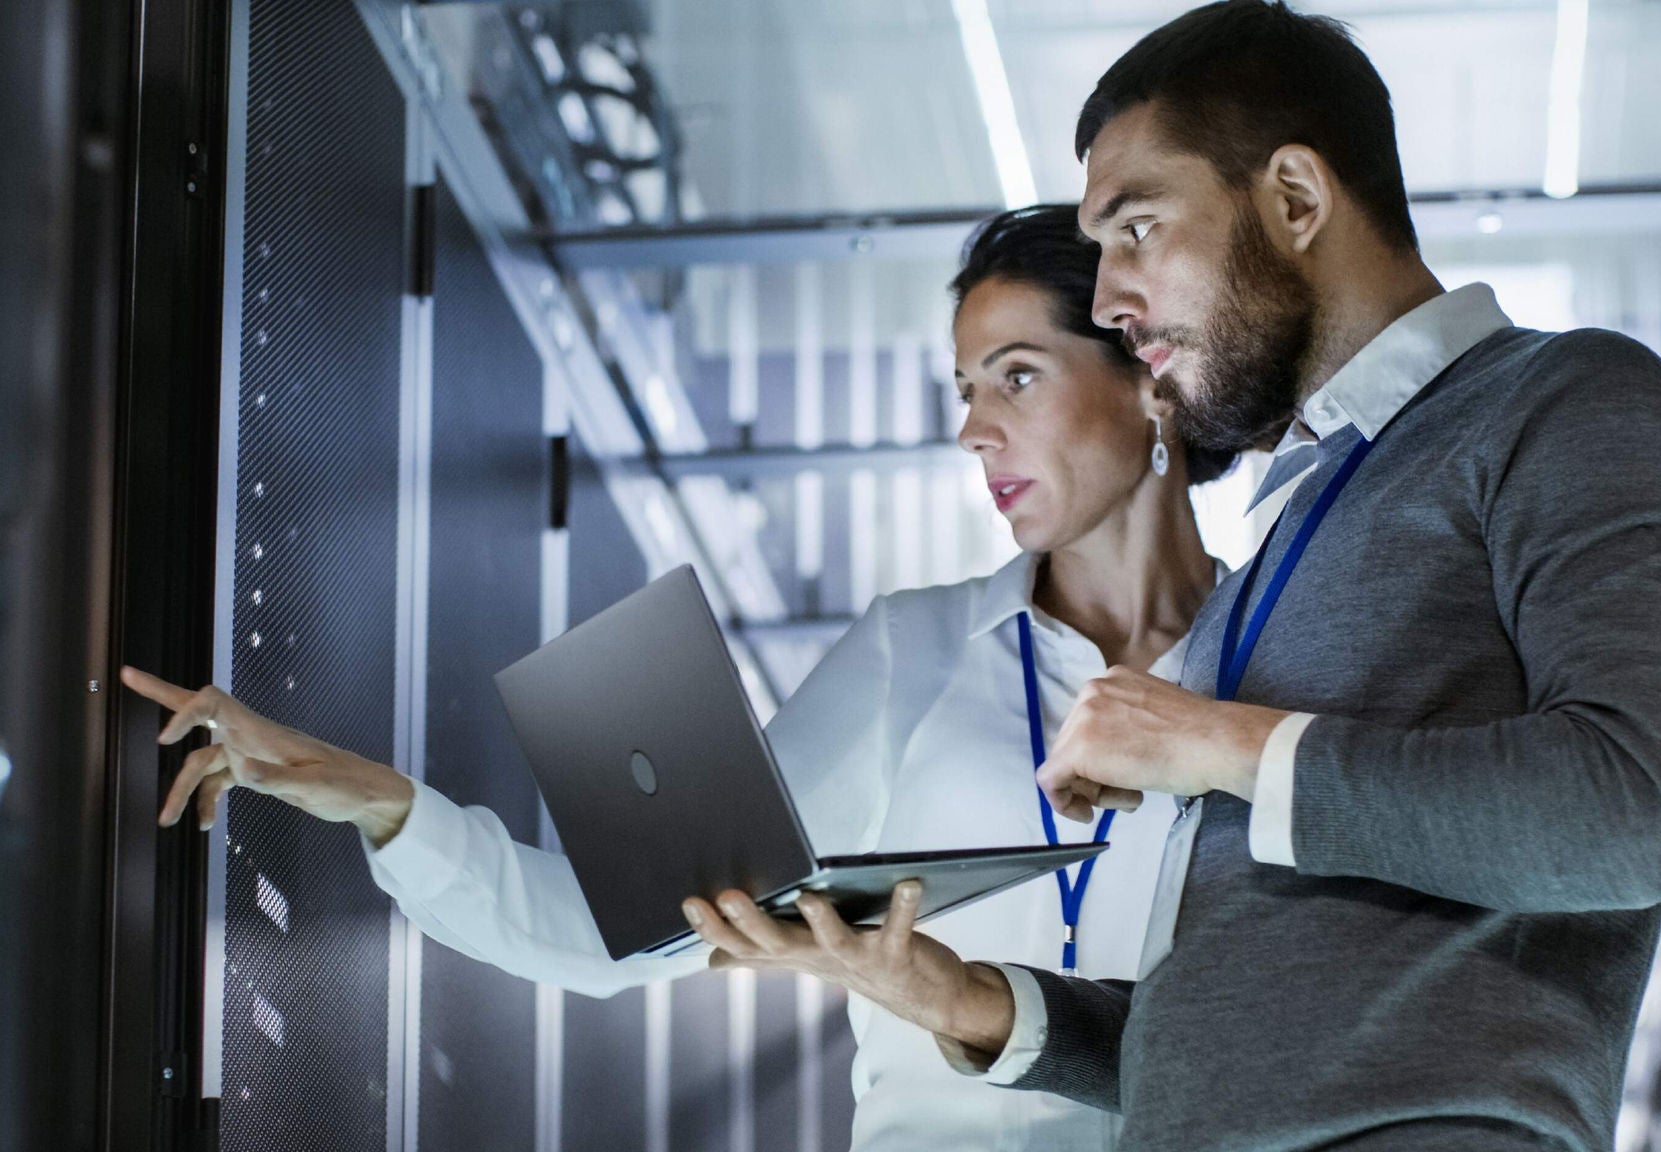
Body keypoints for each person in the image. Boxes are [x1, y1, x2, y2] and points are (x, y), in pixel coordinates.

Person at [677, 4, 1661, 1151]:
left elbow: (1626, 812)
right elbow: (1226, 1031)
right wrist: (957, 998)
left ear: (1292, 198)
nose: (1105, 299)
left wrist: (1218, 743)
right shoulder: (1291, 536)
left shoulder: (1565, 400)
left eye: (1134, 229)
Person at [123, 204, 1241, 1152]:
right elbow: (626, 936)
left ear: (1147, 377)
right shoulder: (918, 651)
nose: (970, 429)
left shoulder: (1276, 668)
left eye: (1016, 378)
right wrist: (373, 799)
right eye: (962, 386)